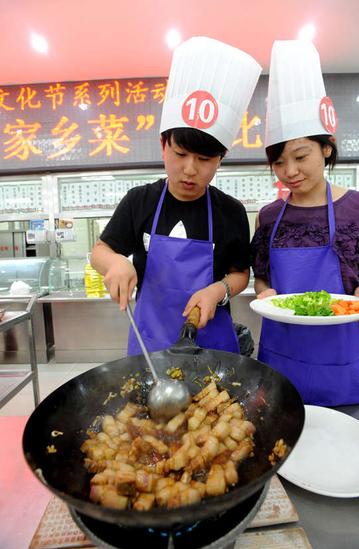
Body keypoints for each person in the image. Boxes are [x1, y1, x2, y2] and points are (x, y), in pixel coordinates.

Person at [91, 37, 261, 355]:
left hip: (214, 347)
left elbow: (240, 273)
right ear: (163, 144)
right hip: (150, 346)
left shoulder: (231, 211)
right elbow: (100, 251)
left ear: (221, 157)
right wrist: (115, 262)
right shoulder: (139, 201)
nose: (190, 170)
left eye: (205, 159)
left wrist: (218, 290)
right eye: (180, 153)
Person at [252, 40, 359, 406]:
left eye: (301, 156)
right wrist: (263, 291)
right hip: (279, 354)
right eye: (279, 162)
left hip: (338, 357)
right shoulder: (270, 216)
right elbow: (262, 274)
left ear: (327, 147)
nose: (290, 172)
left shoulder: (358, 208)